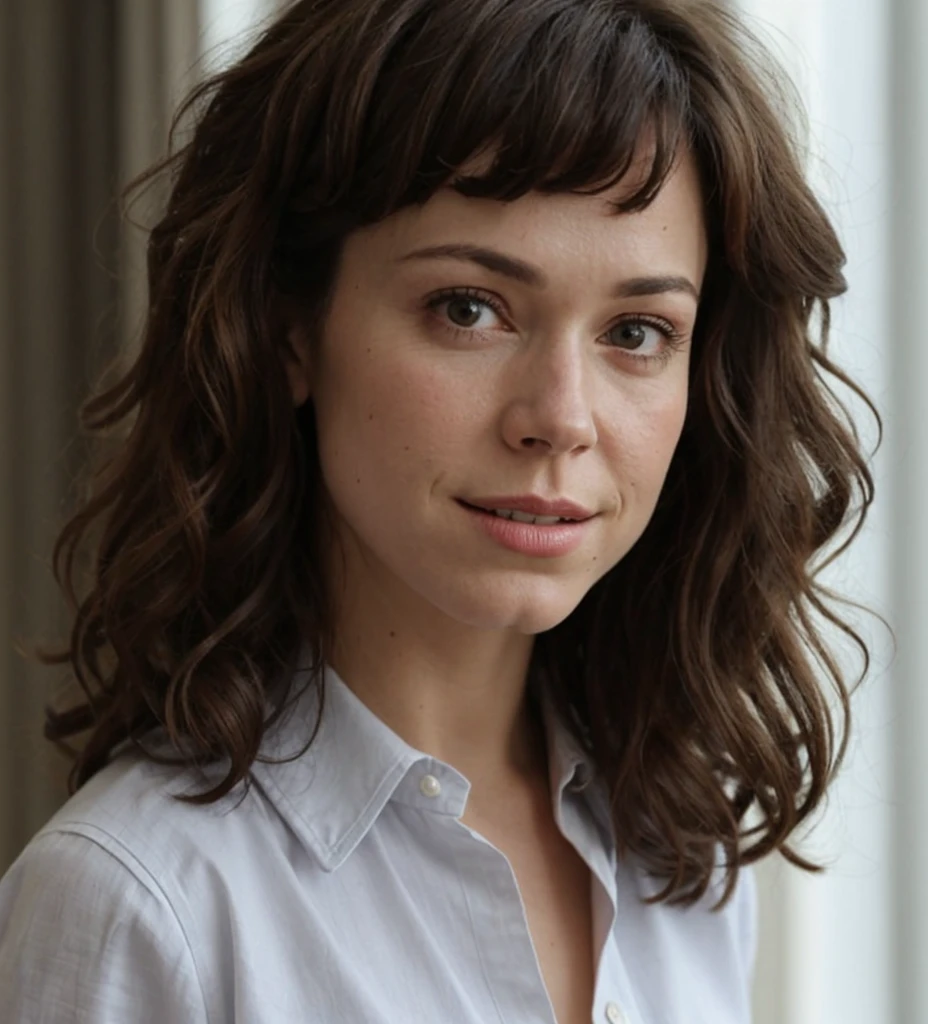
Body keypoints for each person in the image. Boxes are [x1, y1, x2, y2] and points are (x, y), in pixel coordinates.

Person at [0, 0, 878, 1021]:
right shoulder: (139, 905)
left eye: (636, 331)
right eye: (468, 308)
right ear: (288, 331)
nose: (560, 418)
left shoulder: (682, 865)